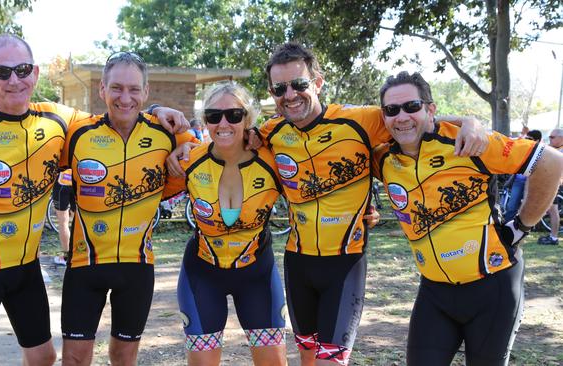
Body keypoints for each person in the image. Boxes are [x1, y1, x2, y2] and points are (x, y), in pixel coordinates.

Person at [168, 42, 487, 366]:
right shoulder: (265, 137)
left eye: (299, 84)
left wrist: (468, 121)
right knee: (306, 357)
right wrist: (166, 123)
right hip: (291, 265)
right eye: (280, 88)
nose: (290, 94)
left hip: (340, 266)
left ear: (317, 82)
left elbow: (408, 116)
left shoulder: (354, 122)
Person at [0, 34, 187, 366]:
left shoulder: (60, 121)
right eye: (2, 71)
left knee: (44, 358)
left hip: (27, 270)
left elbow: (123, 115)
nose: (14, 80)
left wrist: (159, 110)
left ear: (36, 73)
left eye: (22, 69)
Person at [371, 71, 563, 365]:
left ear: (430, 108)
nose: (401, 116)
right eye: (391, 110)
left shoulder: (468, 141)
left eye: (412, 106)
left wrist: (523, 225)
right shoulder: (383, 157)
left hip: (493, 285)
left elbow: (551, 161)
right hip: (434, 290)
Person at [59, 51, 196, 366]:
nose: (125, 97)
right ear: (102, 90)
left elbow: (210, 151)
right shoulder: (78, 134)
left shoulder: (167, 132)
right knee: (75, 359)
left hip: (137, 267)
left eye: (134, 89)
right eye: (117, 88)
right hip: (84, 266)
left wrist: (186, 145)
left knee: (124, 357)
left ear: (146, 93)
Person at [162, 82, 290, 365]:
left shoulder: (272, 161)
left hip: (257, 275)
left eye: (233, 115)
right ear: (205, 120)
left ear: (248, 119)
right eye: (213, 115)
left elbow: (313, 189)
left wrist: (365, 208)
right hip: (202, 275)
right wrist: (158, 109)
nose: (223, 123)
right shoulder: (189, 160)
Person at [504, 129, 542, 221]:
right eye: (526, 137)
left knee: (528, 207)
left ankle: (524, 227)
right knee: (511, 206)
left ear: (537, 140)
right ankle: (507, 226)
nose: (527, 139)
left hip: (532, 183)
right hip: (518, 181)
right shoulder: (524, 147)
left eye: (529, 138)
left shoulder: (542, 151)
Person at [537, 128, 563, 245]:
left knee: (553, 210)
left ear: (561, 138)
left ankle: (553, 238)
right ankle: (553, 236)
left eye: (552, 137)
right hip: (548, 183)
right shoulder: (553, 149)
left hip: (554, 184)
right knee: (551, 209)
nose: (550, 139)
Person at [51, 169, 74, 265]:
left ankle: (66, 257)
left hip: (62, 182)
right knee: (80, 222)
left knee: (63, 222)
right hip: (80, 180)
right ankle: (81, 254)